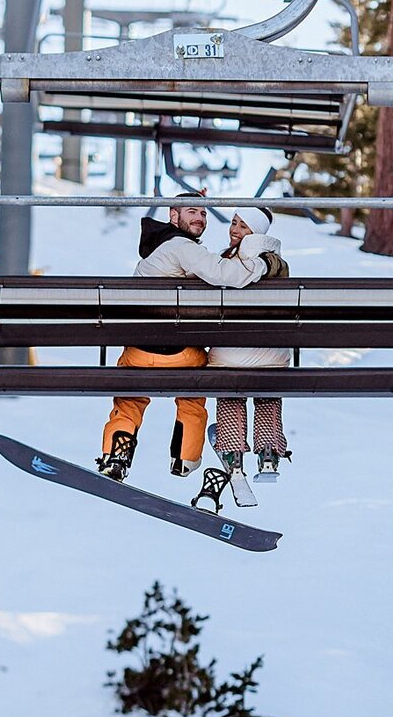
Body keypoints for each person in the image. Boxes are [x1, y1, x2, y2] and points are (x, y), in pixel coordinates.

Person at [96, 196, 280, 483]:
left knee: (130, 396)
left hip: (139, 353)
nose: (200, 218)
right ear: (173, 215)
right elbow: (223, 274)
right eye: (192, 212)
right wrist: (263, 266)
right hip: (180, 354)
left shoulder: (158, 250)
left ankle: (117, 454)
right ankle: (186, 457)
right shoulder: (182, 247)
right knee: (194, 388)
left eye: (204, 213)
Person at [205, 205, 291, 505]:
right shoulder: (279, 263)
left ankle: (233, 453)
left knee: (230, 393)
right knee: (267, 393)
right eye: (233, 223)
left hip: (229, 357)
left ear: (255, 233)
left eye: (242, 226)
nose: (234, 230)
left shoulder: (232, 262)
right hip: (274, 359)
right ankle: (268, 453)